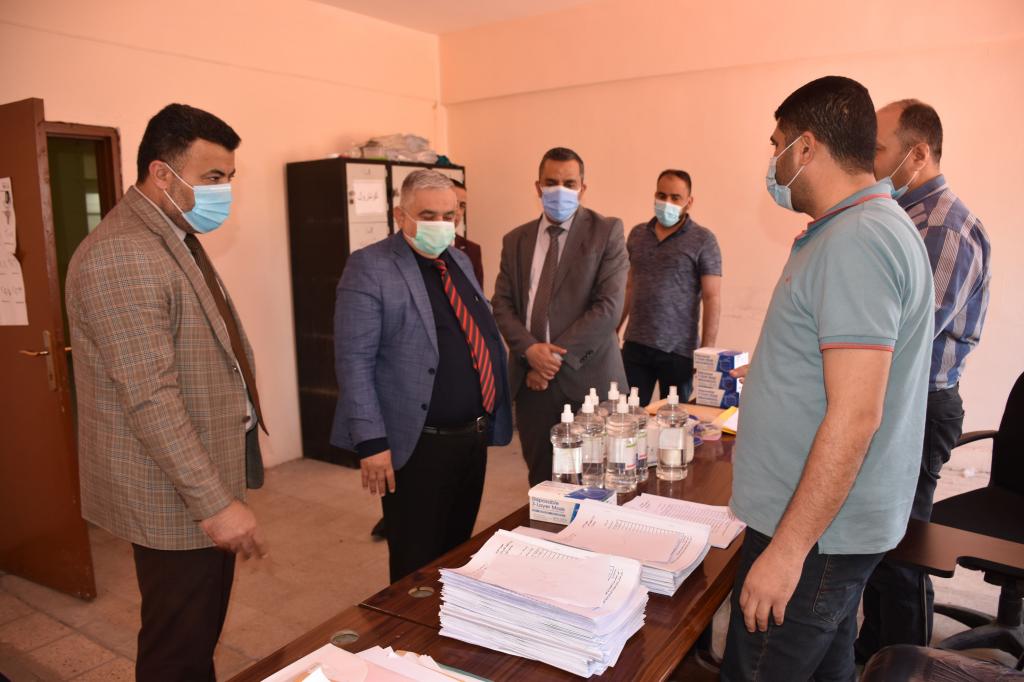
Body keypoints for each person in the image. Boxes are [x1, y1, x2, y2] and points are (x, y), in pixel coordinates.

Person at [720, 76, 934, 681]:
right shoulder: (853, 228)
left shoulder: (857, 241)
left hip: (812, 535)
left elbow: (856, 415)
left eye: (778, 145)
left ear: (807, 147)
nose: (773, 161)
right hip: (821, 529)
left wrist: (787, 552)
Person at [65, 104, 267, 681]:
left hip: (199, 468)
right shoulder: (124, 253)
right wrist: (215, 505)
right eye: (212, 177)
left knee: (196, 635)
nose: (223, 191)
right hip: (171, 493)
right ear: (161, 173)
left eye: (229, 177)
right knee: (177, 647)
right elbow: (150, 398)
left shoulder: (171, 234)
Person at [855, 99, 992, 659]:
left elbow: (910, 333)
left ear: (916, 154)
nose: (869, 160)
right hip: (894, 399)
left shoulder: (944, 226)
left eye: (878, 148)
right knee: (879, 538)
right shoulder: (901, 217)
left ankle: (906, 663)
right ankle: (875, 649)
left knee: (901, 546)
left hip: (920, 405)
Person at [331, 170, 512, 583]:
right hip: (417, 444)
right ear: (401, 215)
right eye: (428, 215)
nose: (441, 225)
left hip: (470, 438)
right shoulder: (370, 266)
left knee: (456, 549)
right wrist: (371, 442)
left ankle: (446, 617)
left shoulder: (458, 260)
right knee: (415, 561)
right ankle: (409, 624)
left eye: (449, 216)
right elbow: (353, 360)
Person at [492, 147, 628, 486]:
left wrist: (550, 360)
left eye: (569, 183)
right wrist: (530, 351)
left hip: (589, 381)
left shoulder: (606, 232)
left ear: (583, 188)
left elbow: (608, 308)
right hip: (532, 384)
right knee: (542, 482)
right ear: (537, 187)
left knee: (596, 483)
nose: (559, 190)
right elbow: (502, 304)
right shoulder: (515, 240)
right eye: (551, 182)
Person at [618, 169, 722, 405]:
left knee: (674, 422)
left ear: (689, 202)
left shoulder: (703, 240)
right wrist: (614, 329)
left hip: (679, 352)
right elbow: (629, 286)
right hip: (635, 345)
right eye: (662, 195)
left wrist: (706, 352)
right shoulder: (637, 234)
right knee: (629, 417)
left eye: (675, 197)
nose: (667, 203)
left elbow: (712, 297)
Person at [452, 179, 485, 287]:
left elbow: (478, 294)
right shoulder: (423, 244)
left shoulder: (472, 250)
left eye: (462, 206)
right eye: (453, 203)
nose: (457, 212)